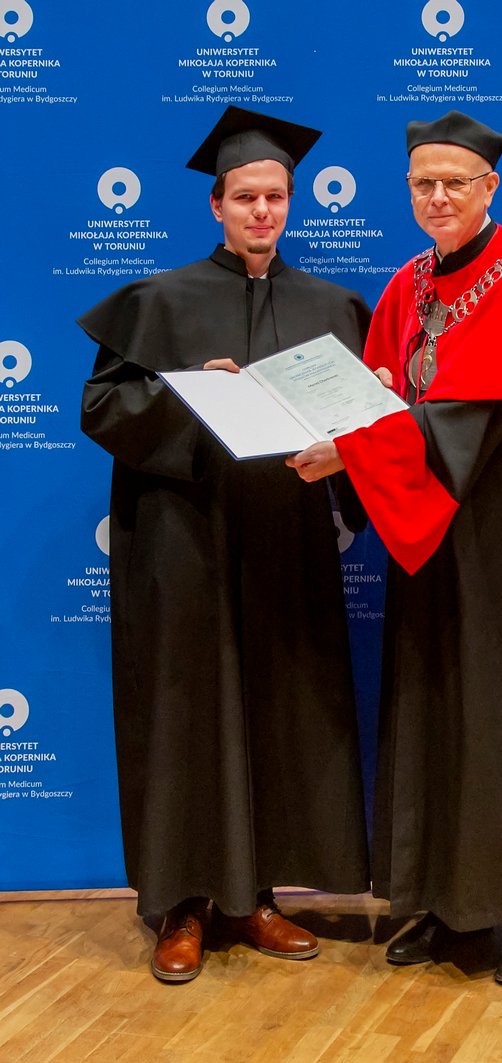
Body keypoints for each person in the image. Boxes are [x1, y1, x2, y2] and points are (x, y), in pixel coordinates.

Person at [287, 110, 502, 985]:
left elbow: (470, 421)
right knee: (434, 705)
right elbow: (377, 395)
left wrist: (356, 448)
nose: (437, 197)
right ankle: (445, 901)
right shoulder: (409, 283)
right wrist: (328, 420)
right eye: (422, 183)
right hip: (428, 539)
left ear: (489, 187)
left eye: (454, 183)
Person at [79, 107, 371, 983]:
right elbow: (102, 409)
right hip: (184, 548)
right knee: (186, 715)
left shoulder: (330, 307)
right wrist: (186, 394)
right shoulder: (158, 301)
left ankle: (256, 900)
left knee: (280, 710)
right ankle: (183, 906)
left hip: (285, 546)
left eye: (275, 196)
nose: (261, 211)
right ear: (216, 205)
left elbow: (363, 427)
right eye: (245, 197)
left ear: (291, 202)